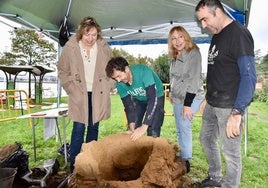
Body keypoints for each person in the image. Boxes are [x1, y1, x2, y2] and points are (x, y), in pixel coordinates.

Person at [195, 0, 257, 187]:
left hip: (229, 106)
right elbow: (218, 70)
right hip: (213, 103)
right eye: (201, 22)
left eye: (205, 20)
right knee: (205, 139)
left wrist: (237, 112)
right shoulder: (217, 35)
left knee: (230, 153)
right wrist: (207, 96)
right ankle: (215, 176)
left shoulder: (239, 34)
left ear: (218, 12)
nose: (203, 26)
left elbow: (249, 77)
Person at [57, 16, 115, 173]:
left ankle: (89, 165)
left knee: (94, 128)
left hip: (98, 94)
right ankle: (75, 169)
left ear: (98, 34)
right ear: (81, 33)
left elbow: (113, 68)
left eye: (94, 35)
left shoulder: (103, 47)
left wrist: (110, 84)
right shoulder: (71, 47)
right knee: (78, 129)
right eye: (87, 34)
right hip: (79, 94)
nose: (90, 38)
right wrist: (70, 88)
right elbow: (62, 70)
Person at [167, 26, 205, 173]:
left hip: (191, 96)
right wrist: (171, 91)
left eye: (180, 37)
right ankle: (182, 156)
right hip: (177, 98)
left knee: (184, 127)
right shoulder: (173, 56)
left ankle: (186, 161)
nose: (177, 41)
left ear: (186, 37)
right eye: (174, 38)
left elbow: (194, 80)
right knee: (179, 129)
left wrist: (187, 105)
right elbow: (173, 77)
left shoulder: (194, 53)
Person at [105, 56, 165, 141]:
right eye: (115, 78)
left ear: (126, 69)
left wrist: (144, 126)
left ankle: (152, 149)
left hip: (156, 96)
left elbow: (152, 98)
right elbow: (128, 106)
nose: (118, 80)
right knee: (134, 128)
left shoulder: (143, 71)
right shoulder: (120, 84)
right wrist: (131, 126)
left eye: (119, 76)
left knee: (152, 129)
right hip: (139, 99)